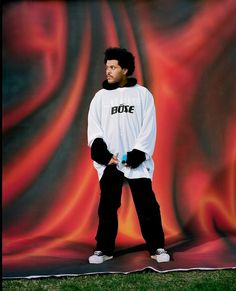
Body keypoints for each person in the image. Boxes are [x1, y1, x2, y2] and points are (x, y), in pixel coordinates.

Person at [87, 47, 170, 264]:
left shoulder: (142, 95)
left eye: (113, 67)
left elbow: (149, 126)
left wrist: (138, 153)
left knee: (147, 206)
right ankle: (104, 249)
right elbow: (94, 130)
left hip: (136, 162)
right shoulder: (100, 98)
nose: (108, 71)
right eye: (107, 67)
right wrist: (104, 156)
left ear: (125, 69)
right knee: (107, 207)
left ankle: (157, 247)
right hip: (111, 163)